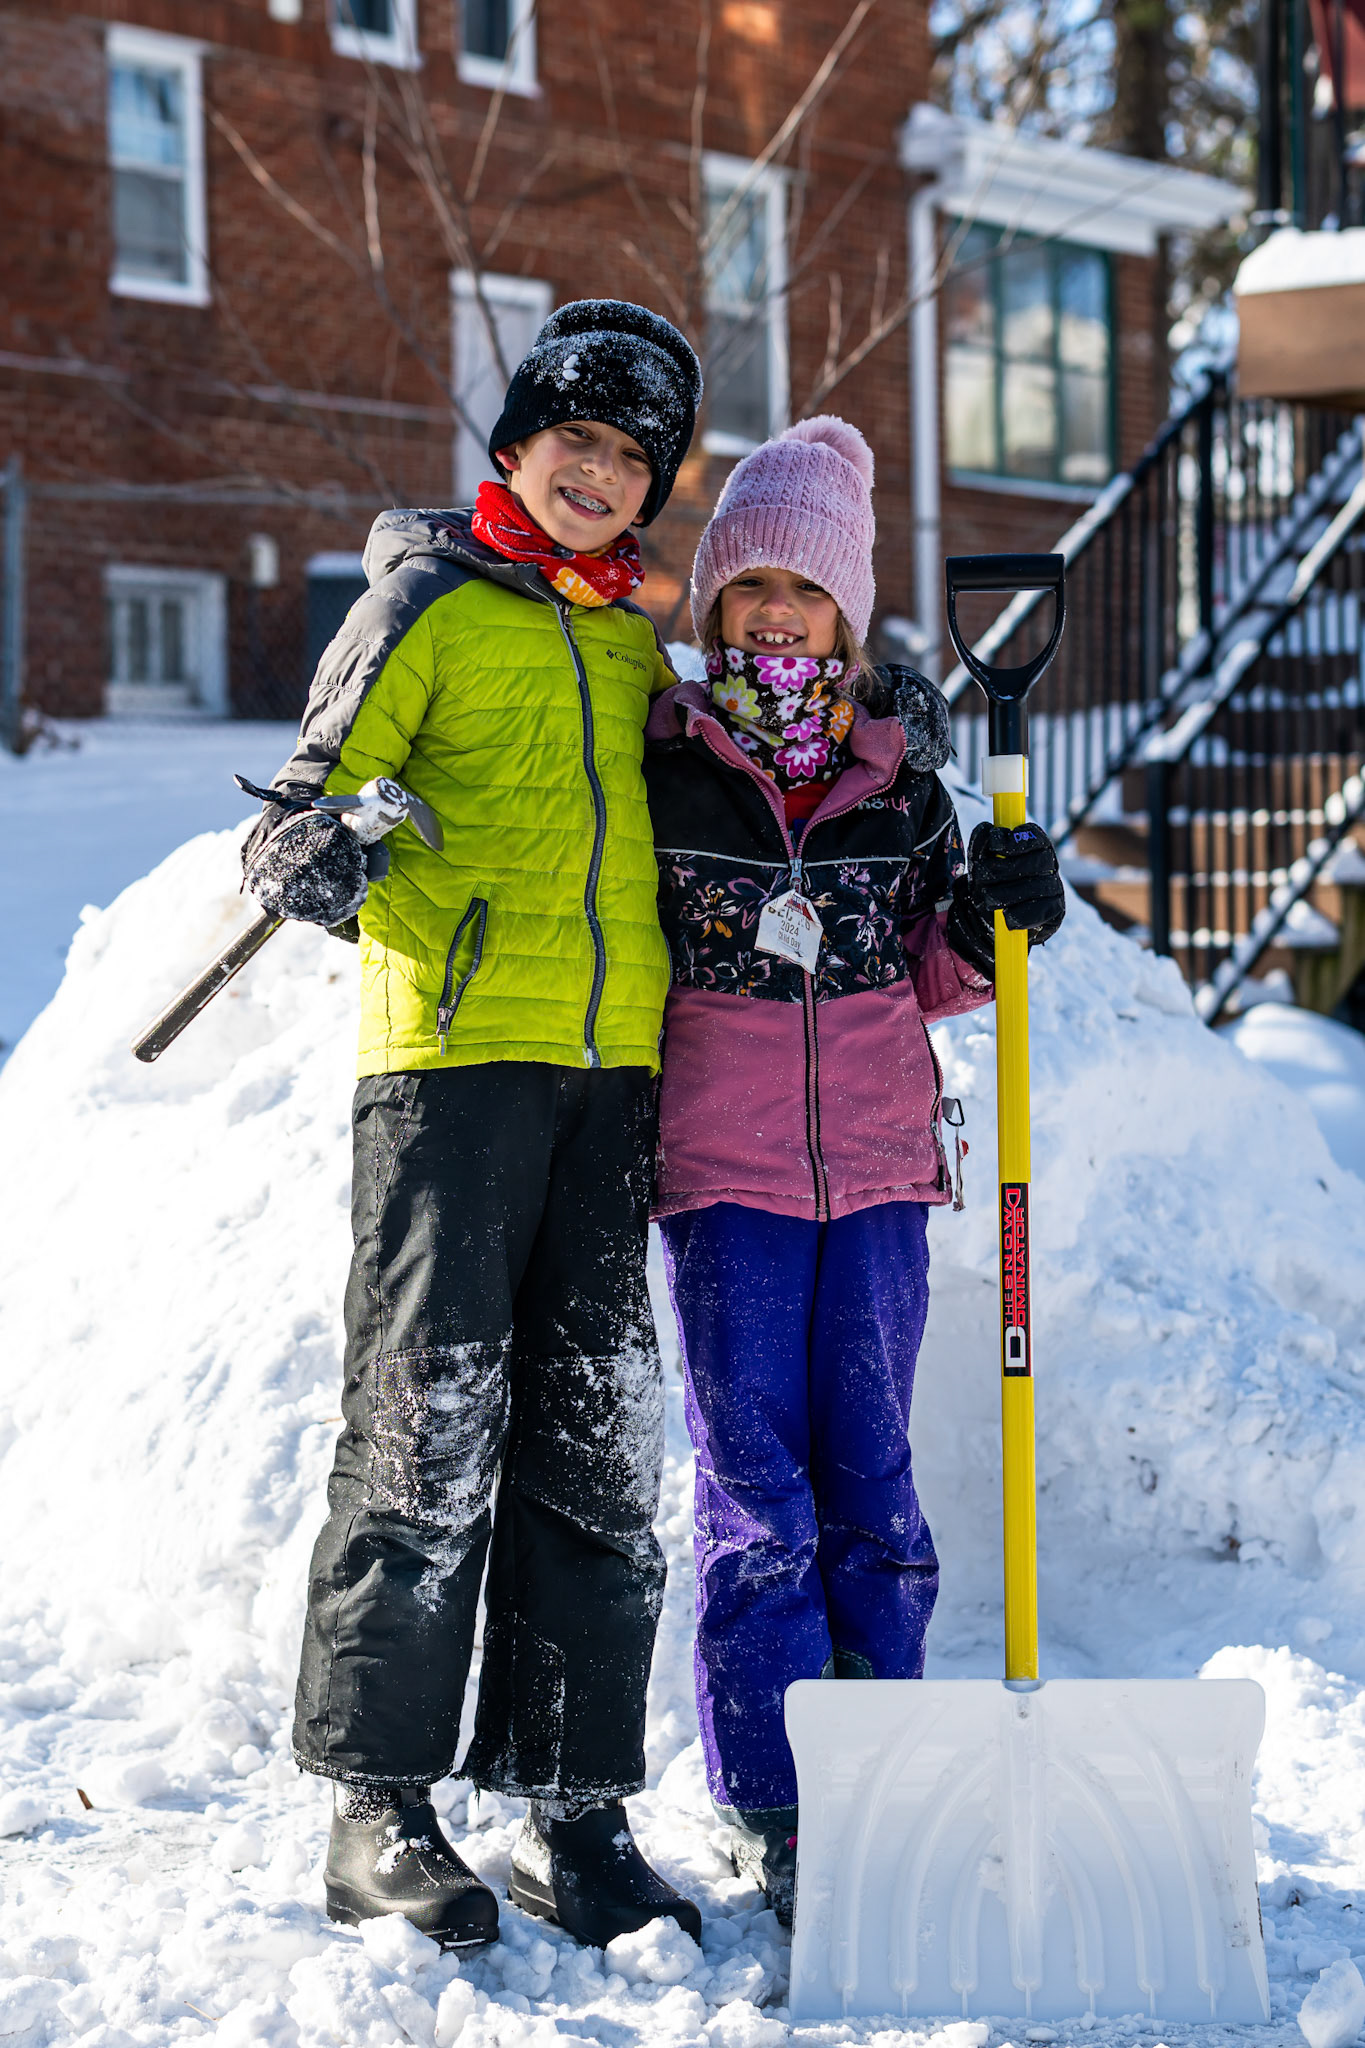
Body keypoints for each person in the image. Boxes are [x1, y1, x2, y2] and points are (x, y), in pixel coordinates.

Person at [240, 301, 704, 1952]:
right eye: (574, 437)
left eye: (630, 456)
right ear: (514, 447)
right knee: (422, 1435)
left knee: (594, 1448)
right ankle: (378, 1806)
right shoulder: (421, 601)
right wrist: (315, 853)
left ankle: (571, 1811)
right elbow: (297, 811)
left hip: (615, 1076)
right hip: (448, 1071)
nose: (597, 472)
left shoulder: (637, 645)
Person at [643, 416, 1066, 1926]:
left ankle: (883, 1763)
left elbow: (940, 971)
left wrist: (1004, 915)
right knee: (756, 1492)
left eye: (806, 590)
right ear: (712, 601)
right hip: (724, 1180)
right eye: (750, 584)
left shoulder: (900, 784)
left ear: (847, 615)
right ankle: (771, 1797)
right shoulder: (665, 766)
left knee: (873, 1479)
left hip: (880, 1174)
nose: (777, 614)